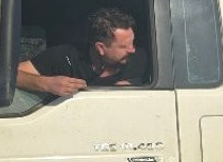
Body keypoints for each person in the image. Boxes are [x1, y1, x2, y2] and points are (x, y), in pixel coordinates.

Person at [17, 7, 147, 97]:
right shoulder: (64, 57)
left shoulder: (139, 58)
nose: (132, 49)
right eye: (124, 46)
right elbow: (11, 75)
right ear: (100, 48)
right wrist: (45, 83)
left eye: (133, 42)